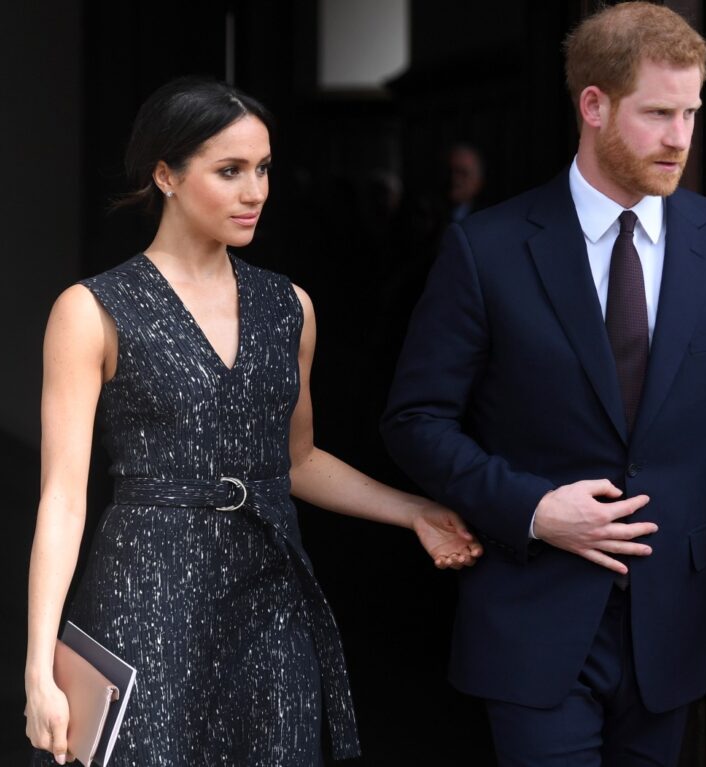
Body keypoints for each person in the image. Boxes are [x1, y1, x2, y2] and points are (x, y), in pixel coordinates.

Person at [380, 3, 706, 765]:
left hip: (672, 630)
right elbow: (416, 420)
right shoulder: (486, 250)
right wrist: (530, 507)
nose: (681, 137)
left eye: (691, 112)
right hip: (532, 622)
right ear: (592, 105)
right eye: (658, 113)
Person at [24, 77, 481, 767]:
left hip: (271, 600)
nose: (256, 191)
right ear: (165, 175)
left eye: (263, 168)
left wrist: (413, 509)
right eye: (230, 170)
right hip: (146, 597)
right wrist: (38, 665)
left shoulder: (288, 306)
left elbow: (296, 460)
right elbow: (62, 496)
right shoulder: (91, 310)